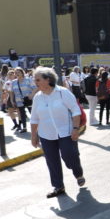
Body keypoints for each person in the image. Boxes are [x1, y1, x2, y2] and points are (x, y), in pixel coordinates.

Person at [30, 67, 85, 198]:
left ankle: (78, 173)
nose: (35, 82)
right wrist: (33, 136)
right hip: (46, 134)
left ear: (47, 79)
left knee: (69, 156)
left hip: (66, 132)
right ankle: (58, 186)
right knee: (51, 160)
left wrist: (76, 129)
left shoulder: (63, 92)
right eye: (34, 80)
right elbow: (34, 118)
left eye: (38, 80)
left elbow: (75, 111)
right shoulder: (37, 97)